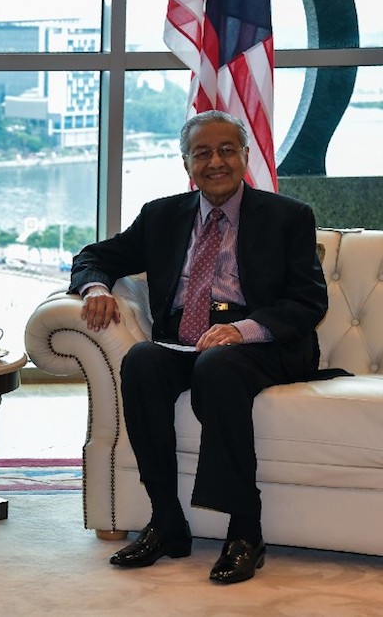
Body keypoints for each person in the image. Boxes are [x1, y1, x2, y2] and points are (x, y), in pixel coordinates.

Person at [69, 110, 328, 584]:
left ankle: (245, 530)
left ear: (245, 156)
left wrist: (245, 329)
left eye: (227, 149)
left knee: (219, 366)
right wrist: (97, 289)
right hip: (185, 341)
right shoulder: (162, 215)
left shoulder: (288, 216)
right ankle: (167, 522)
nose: (216, 161)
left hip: (261, 344)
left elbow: (309, 302)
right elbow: (94, 256)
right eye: (202, 152)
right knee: (143, 359)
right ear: (186, 162)